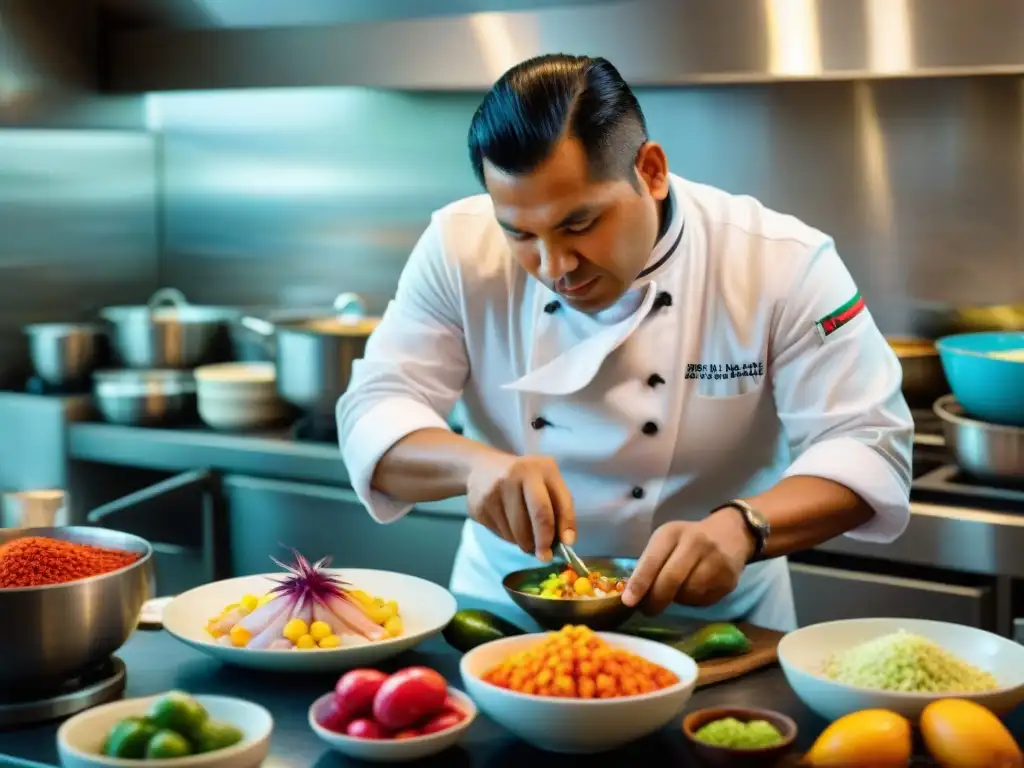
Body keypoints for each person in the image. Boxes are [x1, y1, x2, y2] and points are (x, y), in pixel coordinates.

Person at [336, 54, 913, 632]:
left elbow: (869, 443)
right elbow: (374, 410)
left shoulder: (781, 262)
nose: (555, 266)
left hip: (717, 626)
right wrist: (473, 467)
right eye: (520, 234)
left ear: (652, 170)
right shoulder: (457, 248)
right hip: (504, 617)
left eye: (580, 225)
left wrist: (746, 526)